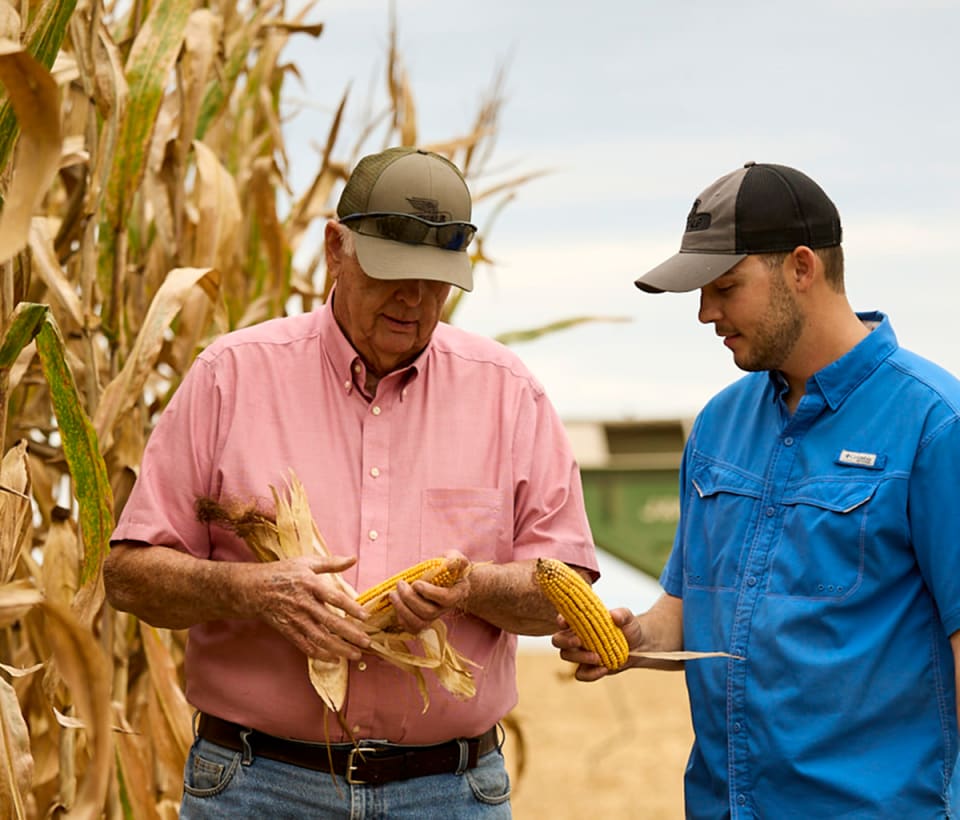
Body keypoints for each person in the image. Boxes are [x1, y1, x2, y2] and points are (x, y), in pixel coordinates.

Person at [104, 146, 599, 819]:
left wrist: (471, 587)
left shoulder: (510, 396)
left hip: (449, 794)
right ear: (335, 248)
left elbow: (563, 591)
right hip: (257, 786)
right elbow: (128, 575)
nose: (415, 300)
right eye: (392, 271)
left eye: (435, 281)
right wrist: (255, 591)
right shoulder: (230, 376)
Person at [554, 161, 960, 817]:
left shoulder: (935, 425)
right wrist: (631, 639)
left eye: (725, 287)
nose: (705, 312)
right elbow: (690, 607)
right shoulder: (717, 425)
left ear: (803, 268)